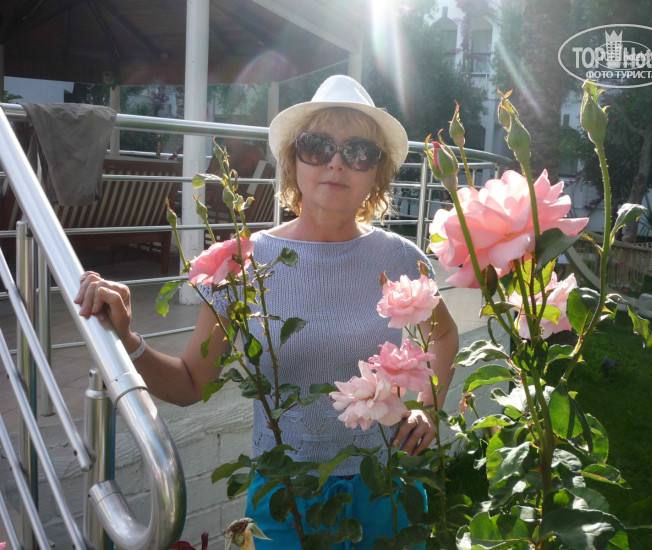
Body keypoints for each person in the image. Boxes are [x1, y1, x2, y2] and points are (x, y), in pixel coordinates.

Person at [75, 74, 458, 548]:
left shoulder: (401, 258)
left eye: (359, 152)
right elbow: (190, 383)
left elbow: (443, 335)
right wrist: (127, 339)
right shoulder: (244, 263)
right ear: (293, 161)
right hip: (286, 497)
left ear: (377, 173)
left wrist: (428, 408)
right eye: (317, 146)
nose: (337, 163)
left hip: (388, 490)